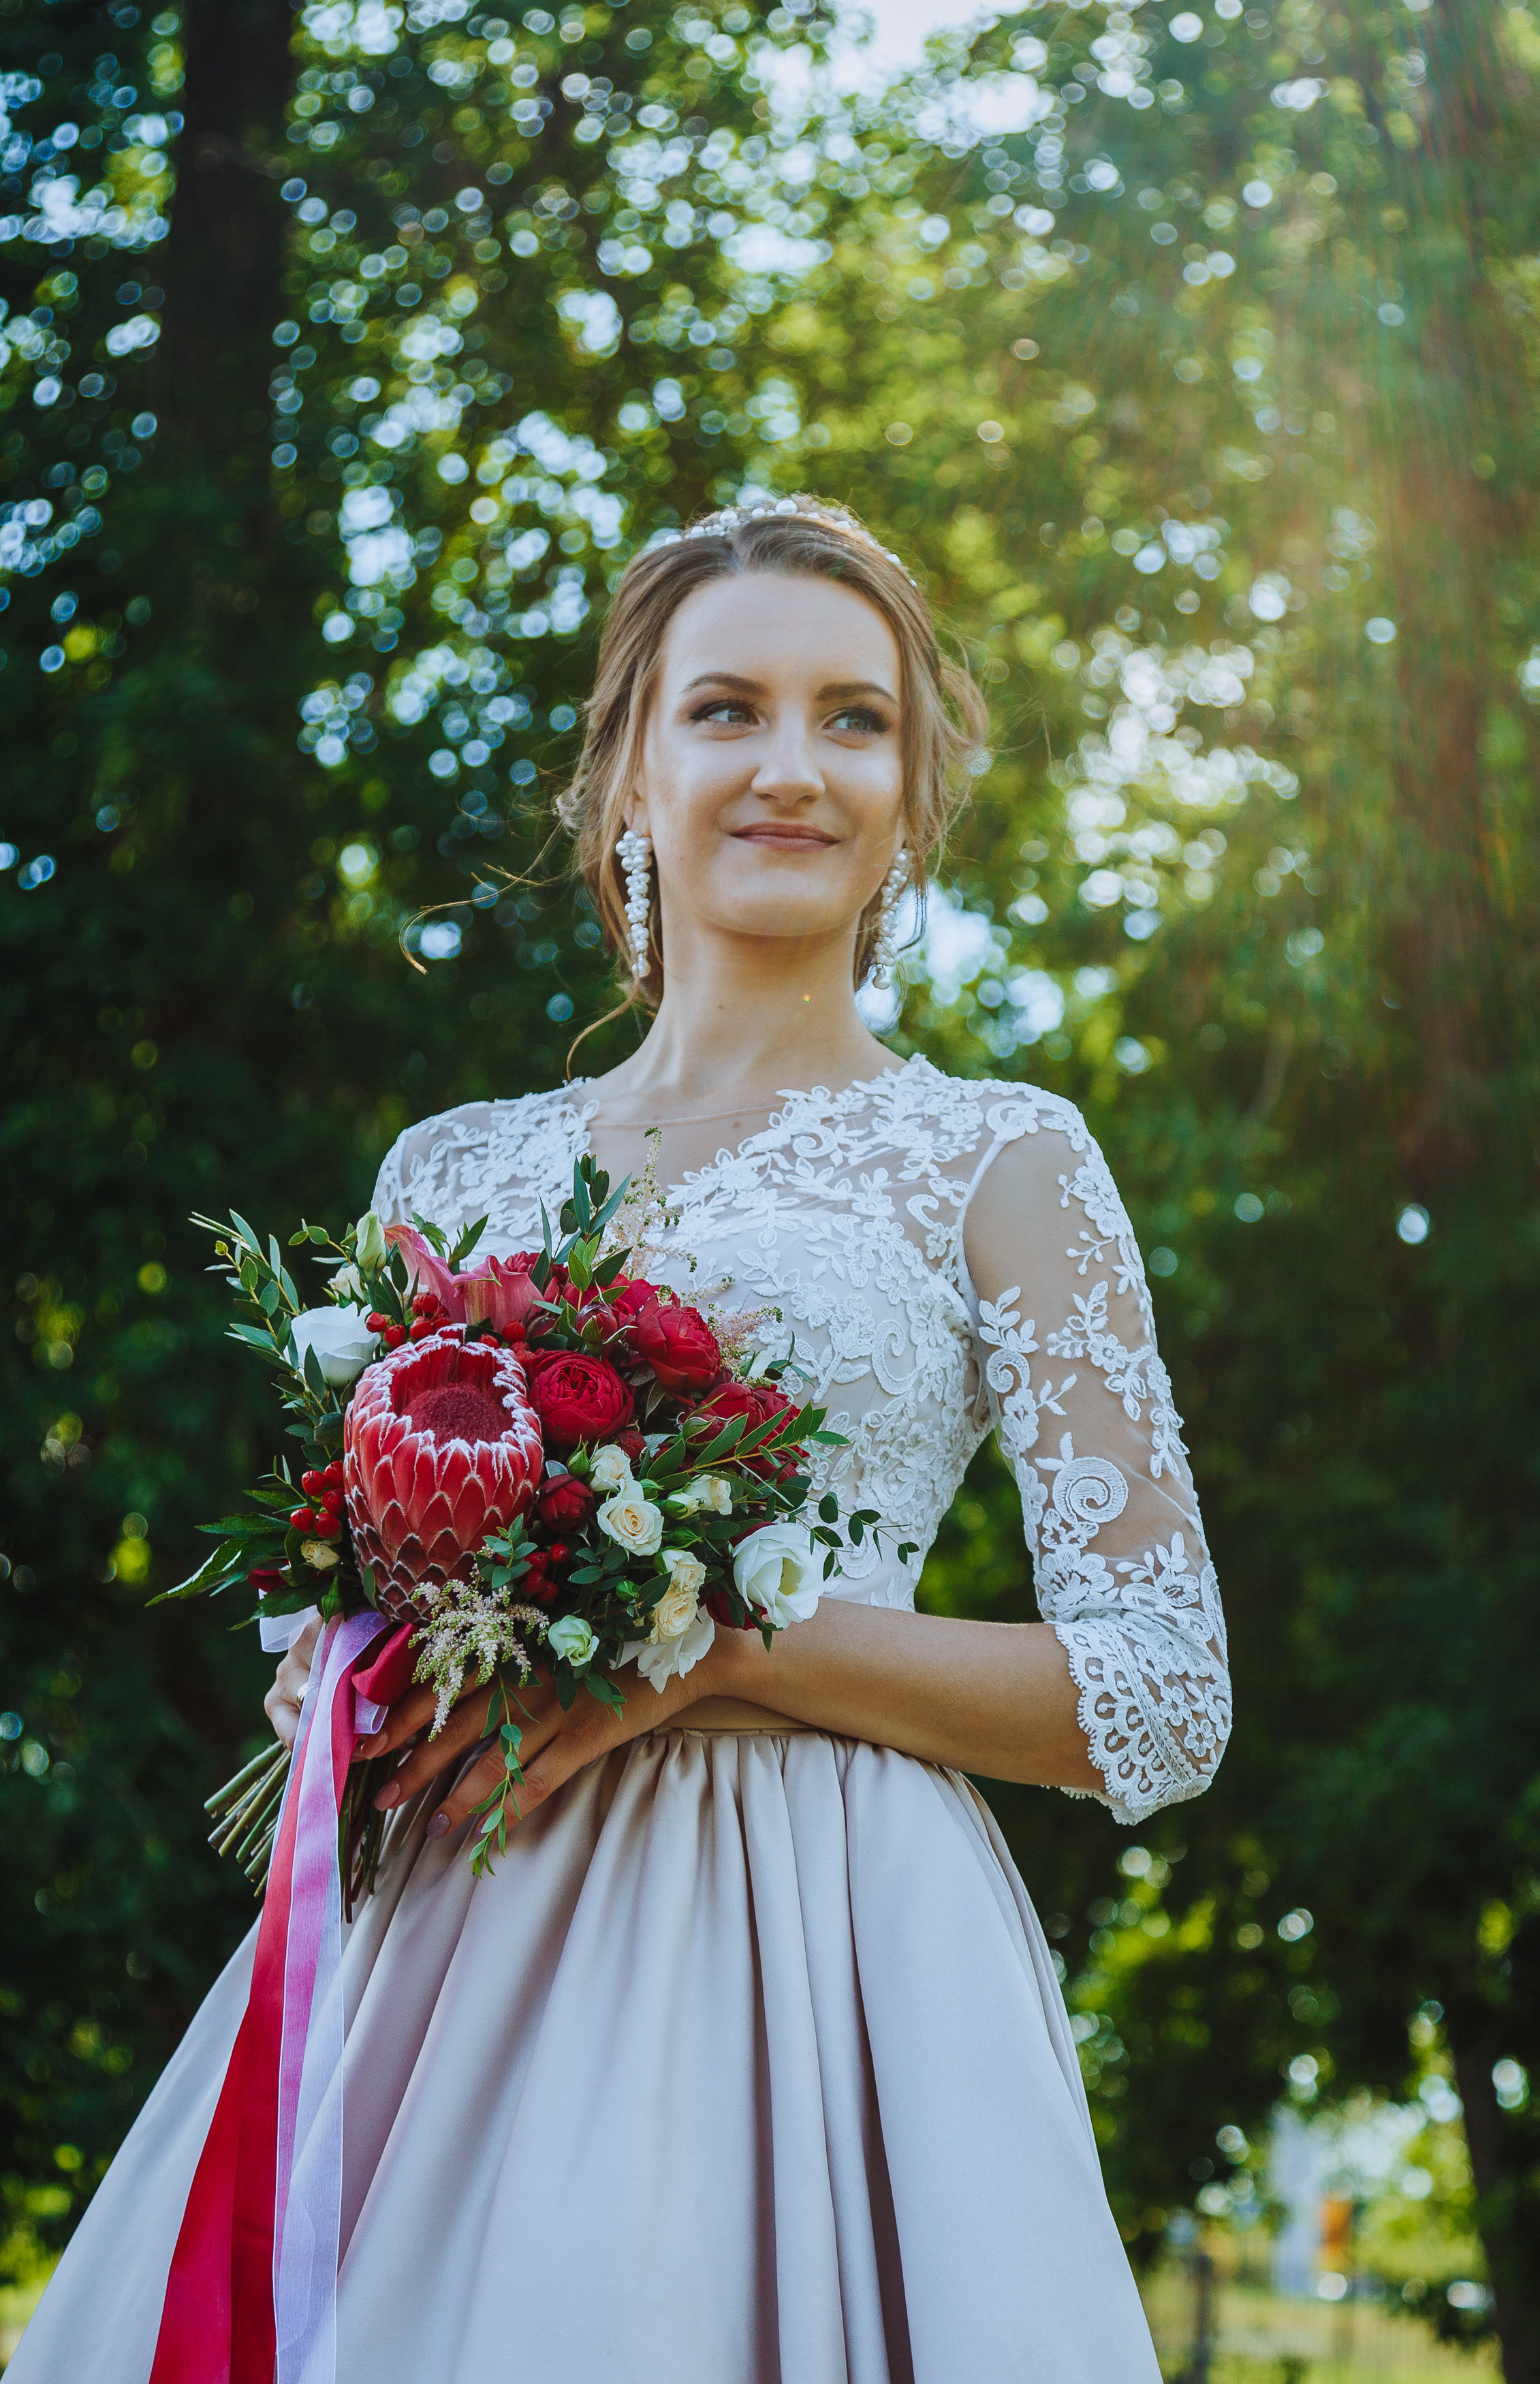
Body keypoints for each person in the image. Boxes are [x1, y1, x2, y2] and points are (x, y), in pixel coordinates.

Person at [10, 496, 1229, 2382]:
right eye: (728, 709)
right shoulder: (454, 1170)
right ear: (626, 780)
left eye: (856, 720)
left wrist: (718, 1650)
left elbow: (1159, 1692)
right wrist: (344, 1689)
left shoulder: (1003, 1160)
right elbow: (347, 1606)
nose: (793, 767)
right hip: (462, 1938)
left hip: (834, 1966)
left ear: (912, 798)